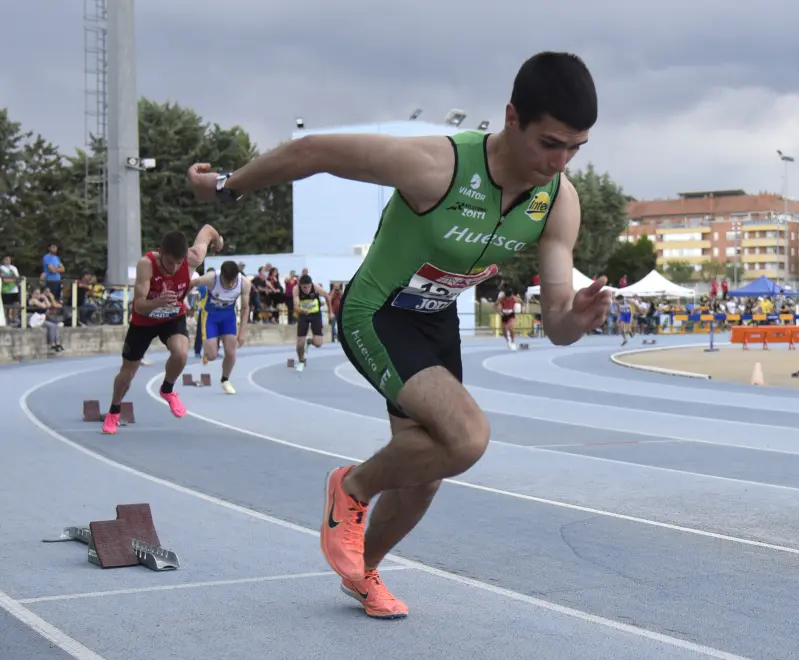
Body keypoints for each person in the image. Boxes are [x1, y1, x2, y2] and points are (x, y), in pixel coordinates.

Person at [186, 51, 610, 619]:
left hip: (435, 323)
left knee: (428, 474)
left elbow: (555, 323)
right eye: (550, 143)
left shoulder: (558, 202)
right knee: (467, 439)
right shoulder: (437, 167)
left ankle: (362, 573)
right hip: (377, 311)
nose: (560, 161)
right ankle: (352, 487)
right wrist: (224, 190)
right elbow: (315, 152)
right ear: (512, 118)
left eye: (575, 148)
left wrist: (574, 320)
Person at [102, 226, 223, 435]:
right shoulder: (146, 264)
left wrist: (218, 241)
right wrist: (157, 301)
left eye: (179, 262)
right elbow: (139, 304)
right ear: (160, 253)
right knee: (127, 373)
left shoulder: (193, 258)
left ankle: (167, 390)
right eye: (169, 263)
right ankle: (114, 410)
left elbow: (207, 230)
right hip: (144, 320)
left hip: (172, 318)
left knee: (181, 353)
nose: (175, 268)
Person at [190, 260, 251, 393]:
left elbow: (246, 308)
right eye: (227, 281)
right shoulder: (211, 278)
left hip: (228, 317)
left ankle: (225, 380)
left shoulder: (244, 283)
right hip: (210, 316)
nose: (230, 284)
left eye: (232, 281)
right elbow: (191, 283)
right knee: (212, 355)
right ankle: (207, 353)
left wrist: (242, 332)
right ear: (221, 275)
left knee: (231, 352)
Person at [291, 274, 332, 372]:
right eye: (304, 287)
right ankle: (301, 360)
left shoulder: (316, 287)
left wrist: (330, 312)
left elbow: (327, 296)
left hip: (315, 315)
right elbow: (296, 307)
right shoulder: (296, 289)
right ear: (300, 285)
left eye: (308, 287)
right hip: (303, 314)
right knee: (300, 343)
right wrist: (302, 311)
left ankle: (309, 341)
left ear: (311, 284)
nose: (306, 289)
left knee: (318, 344)